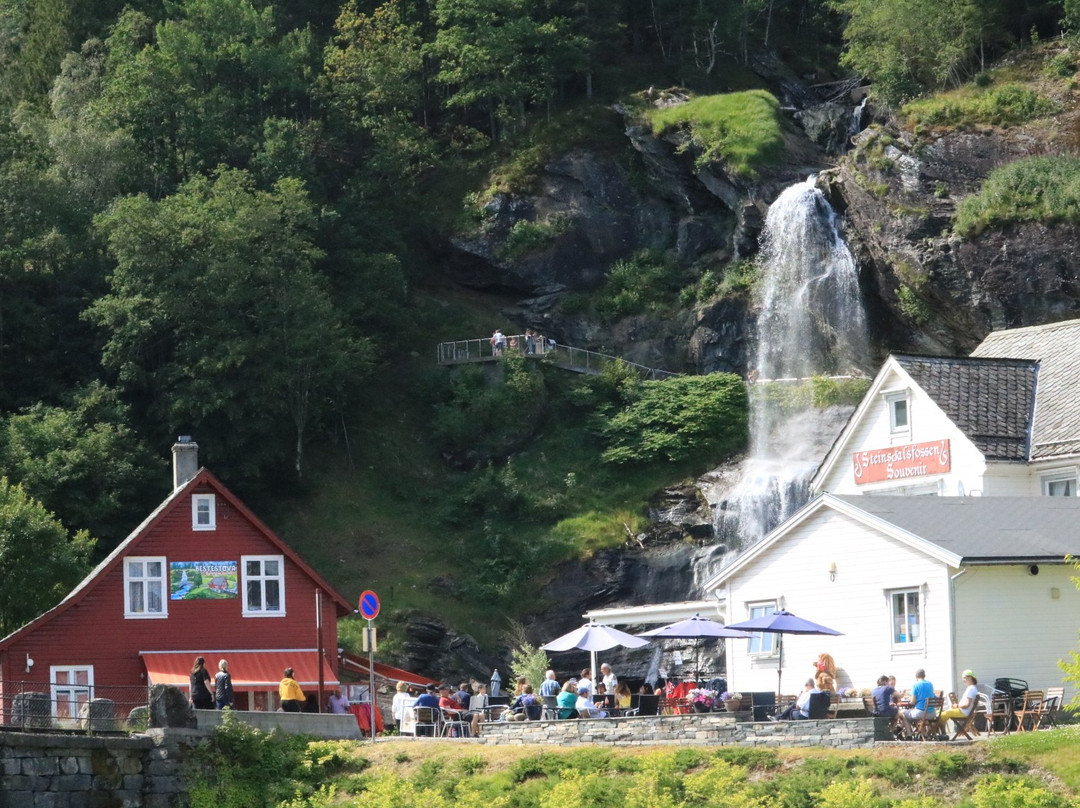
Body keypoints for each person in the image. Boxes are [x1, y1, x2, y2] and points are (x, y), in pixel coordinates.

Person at [899, 668, 936, 737]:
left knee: (904, 714)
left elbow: (912, 702)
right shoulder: (930, 684)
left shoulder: (915, 685)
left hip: (921, 713)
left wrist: (909, 698)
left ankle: (909, 735)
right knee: (912, 714)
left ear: (916, 677)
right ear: (924, 675)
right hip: (932, 713)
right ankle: (923, 734)